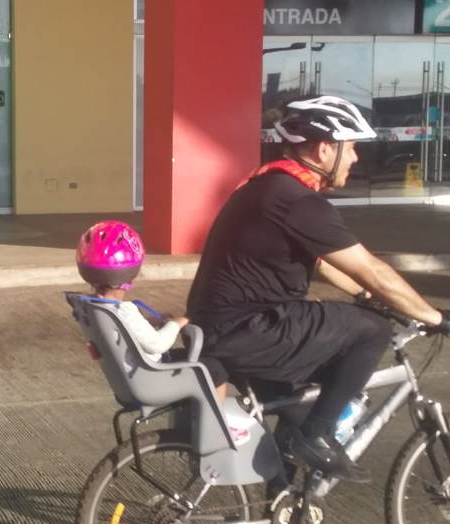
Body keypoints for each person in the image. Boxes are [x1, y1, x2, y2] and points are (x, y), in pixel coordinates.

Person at [186, 95, 449, 481]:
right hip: (250, 328)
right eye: (352, 147)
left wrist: (365, 296)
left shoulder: (267, 186)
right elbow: (372, 270)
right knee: (371, 330)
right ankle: (317, 436)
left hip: (224, 327)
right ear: (325, 149)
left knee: (300, 404)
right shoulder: (296, 201)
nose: (356, 158)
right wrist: (434, 316)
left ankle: (281, 511)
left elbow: (326, 263)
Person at [76, 220, 190, 363]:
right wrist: (180, 322)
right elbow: (157, 344)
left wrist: (154, 322)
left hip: (124, 369)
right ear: (130, 274)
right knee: (209, 364)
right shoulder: (124, 312)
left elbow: (127, 329)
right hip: (152, 370)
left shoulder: (90, 306)